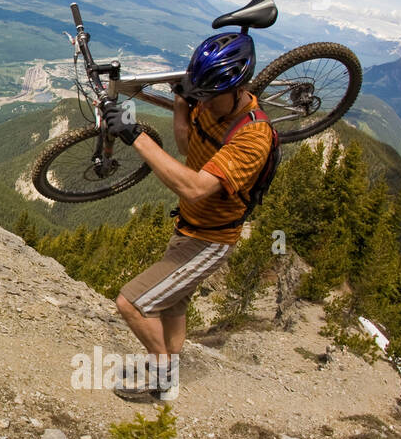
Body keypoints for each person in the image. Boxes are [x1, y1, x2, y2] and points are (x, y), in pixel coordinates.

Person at [100, 31, 275, 402]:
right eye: (200, 93)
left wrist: (136, 135)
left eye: (210, 97)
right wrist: (182, 103)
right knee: (171, 303)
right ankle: (170, 370)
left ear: (238, 89)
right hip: (188, 229)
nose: (203, 102)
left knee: (132, 302)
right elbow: (187, 145)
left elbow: (194, 188)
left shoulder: (254, 137)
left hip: (210, 241)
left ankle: (161, 376)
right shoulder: (211, 104)